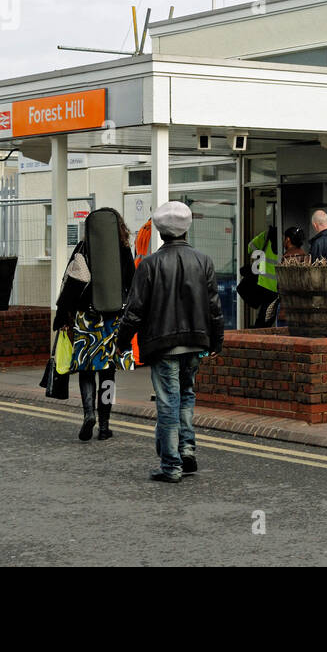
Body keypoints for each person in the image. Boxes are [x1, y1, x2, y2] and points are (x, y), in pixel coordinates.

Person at [118, 201, 224, 483]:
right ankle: (187, 451)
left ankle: (171, 465)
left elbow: (135, 310)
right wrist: (217, 341)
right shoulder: (204, 261)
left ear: (161, 232)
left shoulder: (150, 264)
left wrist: (122, 342)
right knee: (186, 396)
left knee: (168, 403)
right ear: (186, 229)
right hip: (196, 342)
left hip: (163, 344)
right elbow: (214, 307)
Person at [52, 207, 135, 442]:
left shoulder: (82, 248)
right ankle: (105, 425)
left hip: (85, 319)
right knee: (108, 373)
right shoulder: (124, 250)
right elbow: (132, 283)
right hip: (112, 320)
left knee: (86, 371)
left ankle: (89, 414)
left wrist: (64, 318)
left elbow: (69, 285)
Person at [245, 225, 279, 327]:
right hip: (277, 285)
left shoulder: (266, 235)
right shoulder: (286, 238)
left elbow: (250, 247)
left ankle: (258, 333)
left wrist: (259, 255)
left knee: (265, 315)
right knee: (270, 316)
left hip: (264, 282)